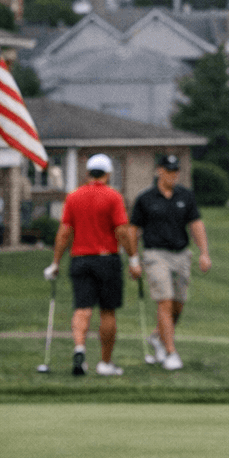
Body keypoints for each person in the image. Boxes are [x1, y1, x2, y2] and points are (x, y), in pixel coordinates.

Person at [44, 154, 140, 377]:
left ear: (88, 173)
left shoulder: (74, 197)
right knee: (107, 311)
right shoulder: (113, 197)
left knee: (82, 308)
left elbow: (64, 233)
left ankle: (79, 348)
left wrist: (55, 263)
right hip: (107, 259)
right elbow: (122, 231)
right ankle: (105, 363)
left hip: (80, 259)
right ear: (108, 174)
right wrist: (133, 258)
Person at [128, 153, 212, 370]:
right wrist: (134, 259)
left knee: (178, 304)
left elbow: (196, 224)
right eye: (169, 171)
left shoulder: (185, 195)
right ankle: (170, 352)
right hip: (155, 255)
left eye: (176, 171)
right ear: (159, 171)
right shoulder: (145, 198)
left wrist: (204, 252)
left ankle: (157, 337)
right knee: (164, 301)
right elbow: (133, 230)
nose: (173, 175)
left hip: (181, 254)